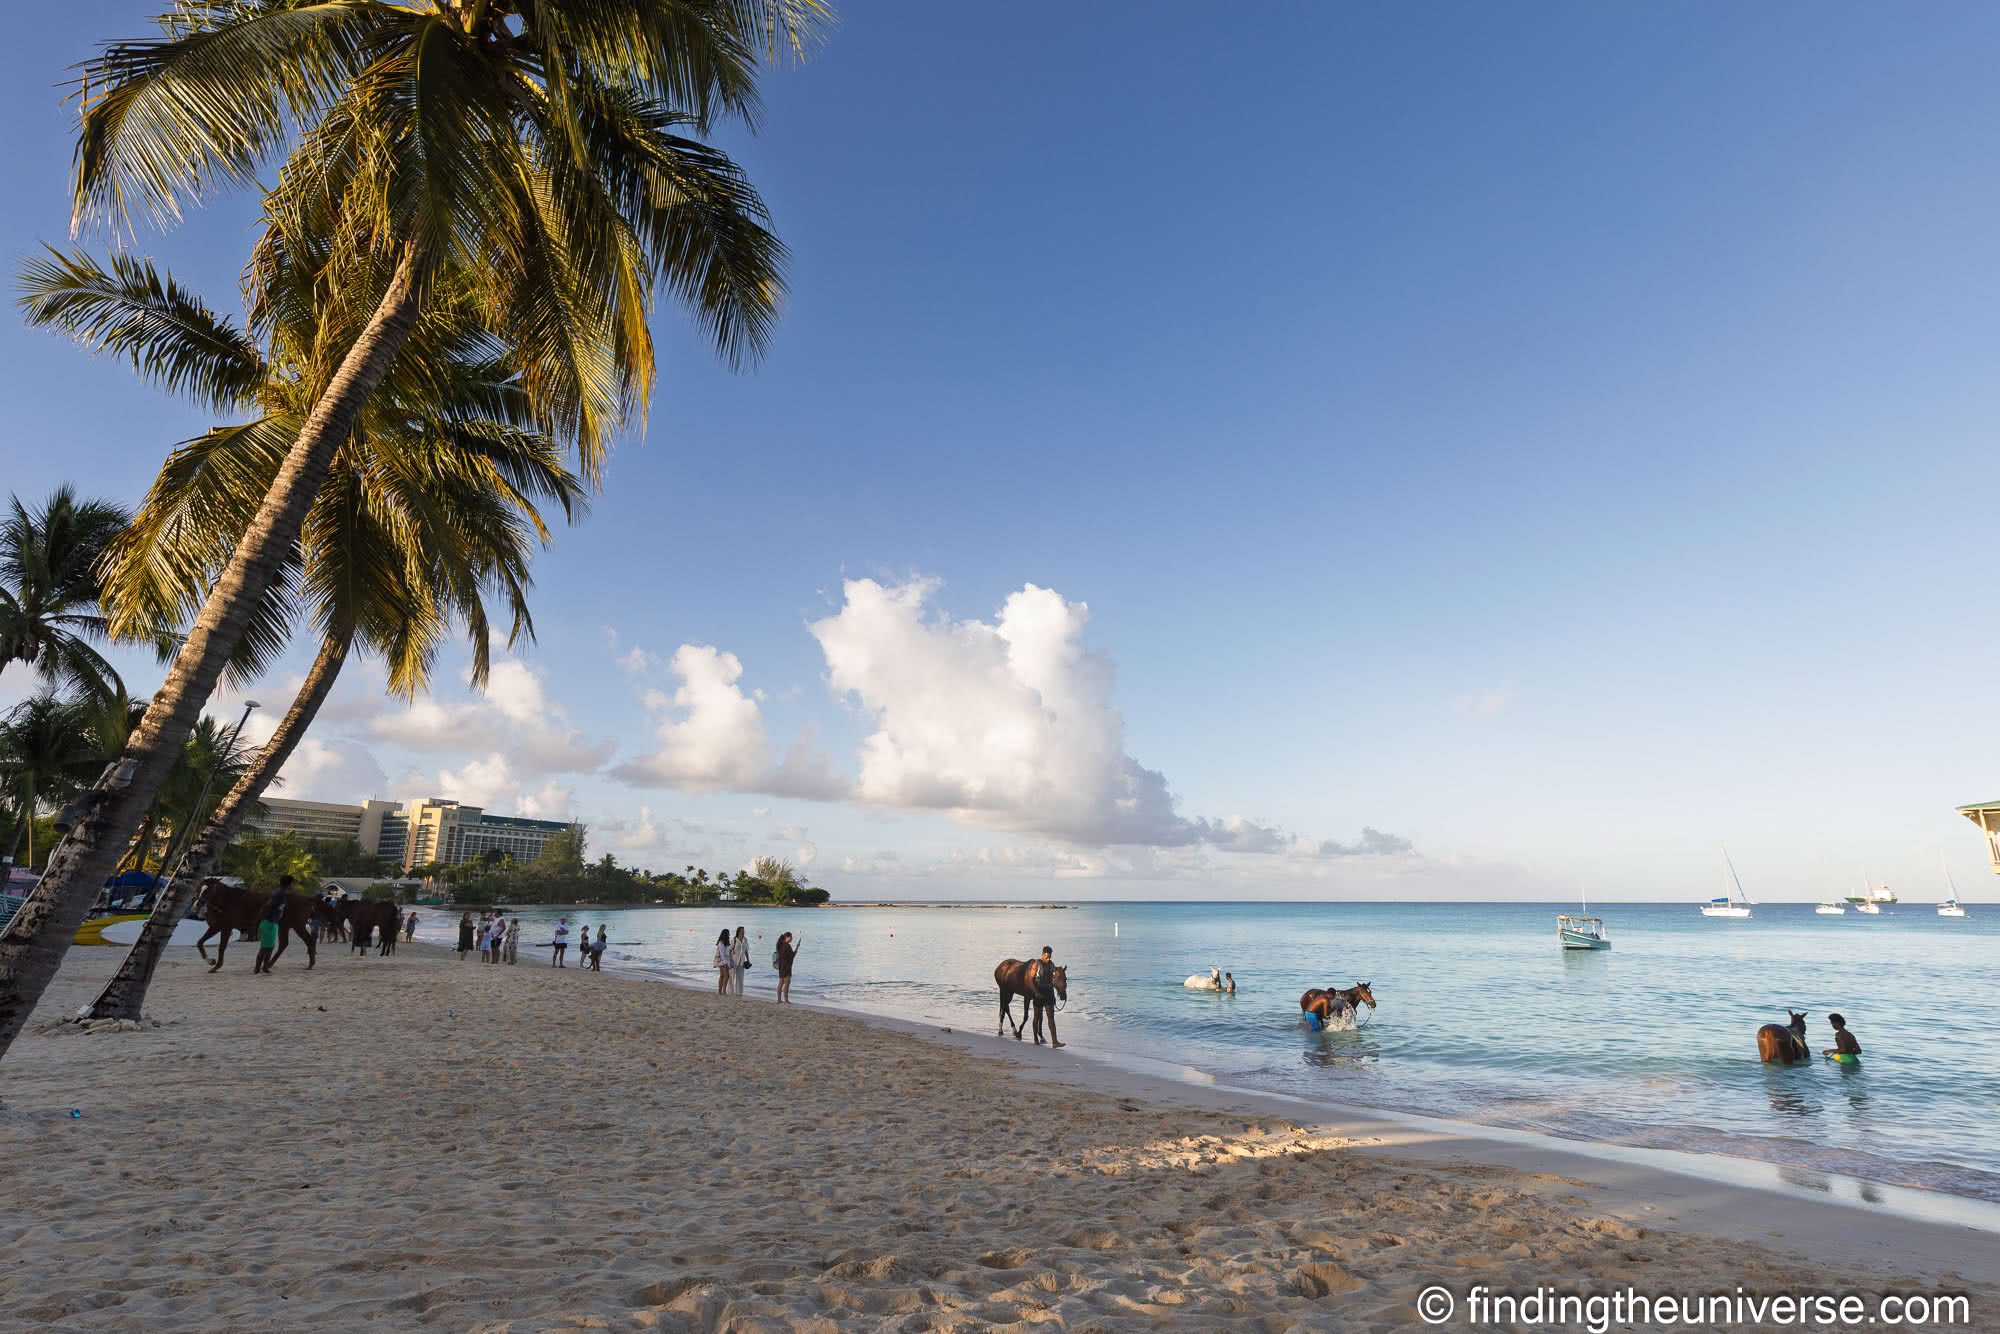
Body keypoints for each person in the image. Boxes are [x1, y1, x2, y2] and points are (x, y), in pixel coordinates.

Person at [253, 875, 293, 974]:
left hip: (270, 922)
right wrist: (272, 918)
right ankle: (257, 968)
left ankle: (264, 967)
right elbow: (269, 906)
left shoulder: (278, 892)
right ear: (289, 884)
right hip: (269, 922)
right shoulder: (280, 894)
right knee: (265, 947)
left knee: (269, 947)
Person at [1031, 945, 1064, 1048]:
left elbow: (1055, 977)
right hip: (1039, 993)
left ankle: (1055, 1042)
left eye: (1050, 956)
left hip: (1049, 993)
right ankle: (1035, 1038)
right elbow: (1031, 979)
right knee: (1036, 1016)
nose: (1048, 958)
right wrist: (1035, 992)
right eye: (1047, 956)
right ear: (1043, 954)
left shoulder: (1051, 964)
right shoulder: (1037, 964)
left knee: (1051, 1017)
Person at [773, 930, 802, 1004]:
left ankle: (779, 1000)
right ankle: (786, 1000)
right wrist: (797, 947)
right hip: (787, 967)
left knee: (781, 983)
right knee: (787, 983)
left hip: (781, 967)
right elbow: (792, 956)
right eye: (791, 937)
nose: (792, 938)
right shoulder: (787, 946)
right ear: (787, 937)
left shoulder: (780, 945)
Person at [730, 926, 749, 997]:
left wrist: (748, 960)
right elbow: (730, 950)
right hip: (734, 960)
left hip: (742, 961)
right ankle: (730, 991)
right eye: (742, 930)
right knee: (731, 976)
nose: (743, 932)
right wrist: (730, 960)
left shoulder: (745, 940)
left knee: (740, 977)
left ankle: (739, 993)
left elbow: (746, 951)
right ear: (739, 931)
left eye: (744, 930)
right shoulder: (734, 939)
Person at [714, 929, 732, 995]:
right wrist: (726, 963)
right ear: (725, 934)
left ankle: (720, 991)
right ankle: (723, 991)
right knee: (726, 976)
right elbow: (722, 954)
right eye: (728, 933)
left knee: (722, 976)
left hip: (724, 961)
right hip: (723, 961)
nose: (729, 935)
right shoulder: (721, 943)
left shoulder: (725, 942)